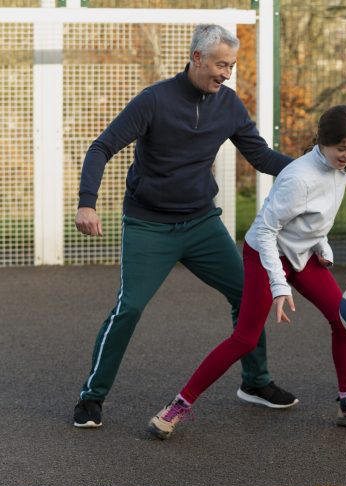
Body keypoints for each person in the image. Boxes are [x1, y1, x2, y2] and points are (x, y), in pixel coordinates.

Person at [72, 24, 298, 429]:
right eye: (220, 65)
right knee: (130, 307)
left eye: (231, 65)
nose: (226, 73)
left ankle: (256, 381)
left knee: (249, 293)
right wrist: (87, 203)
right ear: (197, 58)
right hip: (148, 225)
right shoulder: (154, 101)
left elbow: (261, 157)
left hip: (201, 223)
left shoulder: (228, 105)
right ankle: (92, 396)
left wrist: (314, 166)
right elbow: (101, 147)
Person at [148, 105, 346, 439]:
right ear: (322, 141)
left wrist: (323, 248)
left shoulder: (341, 168)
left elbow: (318, 221)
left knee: (343, 319)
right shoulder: (298, 177)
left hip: (301, 255)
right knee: (245, 338)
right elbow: (265, 231)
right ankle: (177, 406)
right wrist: (279, 285)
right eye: (342, 149)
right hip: (265, 253)